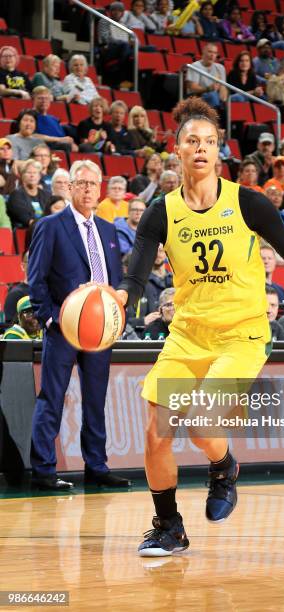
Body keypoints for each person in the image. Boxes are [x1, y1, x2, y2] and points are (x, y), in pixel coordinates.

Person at [114, 97, 284, 556]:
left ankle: (223, 466)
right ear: (177, 150)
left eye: (209, 142)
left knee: (201, 422)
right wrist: (121, 300)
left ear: (219, 151)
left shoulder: (247, 202)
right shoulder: (161, 211)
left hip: (242, 334)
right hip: (188, 334)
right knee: (156, 432)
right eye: (192, 141)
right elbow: (135, 275)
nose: (201, 149)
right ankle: (169, 526)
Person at [28, 159, 130, 491]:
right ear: (70, 187)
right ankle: (43, 469)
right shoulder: (51, 225)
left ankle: (96, 466)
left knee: (95, 399)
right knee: (52, 397)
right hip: (64, 327)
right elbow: (36, 278)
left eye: (93, 184)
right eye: (81, 184)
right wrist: (49, 317)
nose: (88, 190)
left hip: (100, 331)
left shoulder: (108, 229)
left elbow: (114, 278)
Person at [97, 1, 134, 88]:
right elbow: (104, 38)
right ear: (110, 11)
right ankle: (121, 68)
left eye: (119, 10)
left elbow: (133, 38)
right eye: (114, 10)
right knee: (125, 45)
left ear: (122, 13)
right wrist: (121, 42)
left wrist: (132, 42)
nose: (117, 12)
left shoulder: (125, 25)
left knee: (149, 48)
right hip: (109, 49)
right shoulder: (104, 21)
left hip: (124, 49)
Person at [31, 86, 78, 153]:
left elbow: (63, 138)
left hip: (60, 146)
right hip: (43, 149)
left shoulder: (54, 119)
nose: (44, 101)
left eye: (46, 98)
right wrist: (58, 140)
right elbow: (32, 136)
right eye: (40, 98)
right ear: (33, 99)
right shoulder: (30, 116)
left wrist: (72, 143)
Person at [7, 159, 51, 228]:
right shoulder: (16, 195)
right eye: (28, 172)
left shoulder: (47, 195)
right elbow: (26, 219)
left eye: (35, 172)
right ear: (22, 175)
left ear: (39, 176)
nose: (32, 175)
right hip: (27, 231)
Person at [185, 43, 227, 109]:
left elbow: (223, 88)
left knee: (235, 98)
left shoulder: (220, 68)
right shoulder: (195, 66)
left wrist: (223, 96)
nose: (212, 55)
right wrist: (208, 89)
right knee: (212, 95)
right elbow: (192, 88)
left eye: (215, 53)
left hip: (216, 98)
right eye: (210, 52)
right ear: (203, 52)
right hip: (197, 97)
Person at [4, 251, 29, 324]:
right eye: (32, 261)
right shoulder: (15, 295)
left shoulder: (49, 291)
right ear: (23, 266)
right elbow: (10, 326)